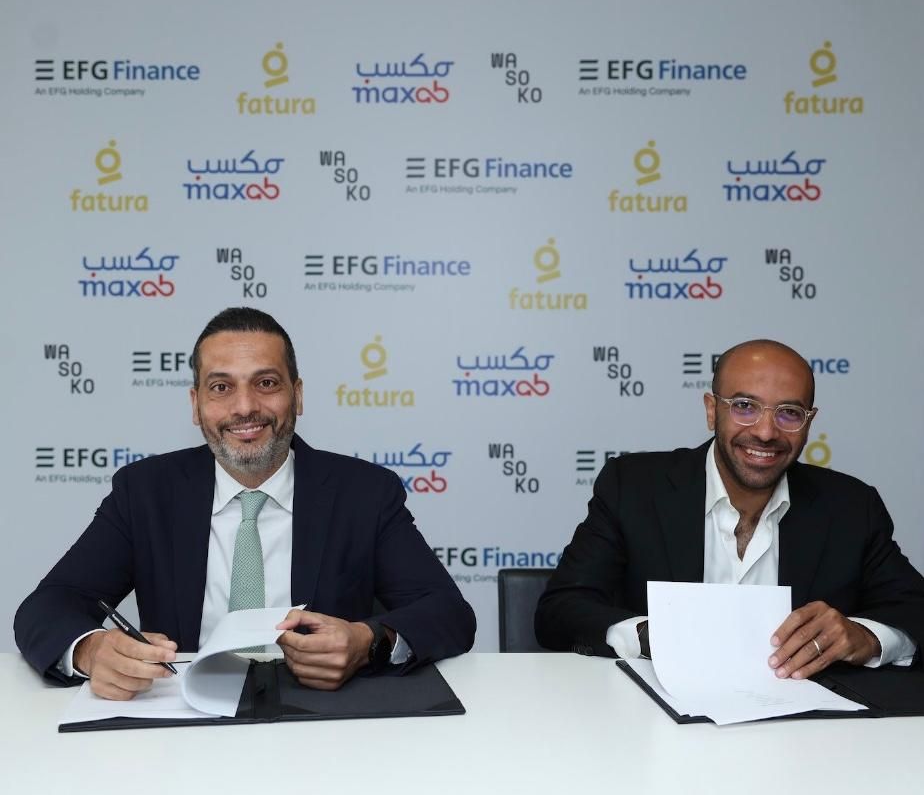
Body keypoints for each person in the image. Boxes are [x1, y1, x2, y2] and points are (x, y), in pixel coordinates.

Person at [15, 307, 475, 700]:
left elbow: (448, 612)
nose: (244, 407)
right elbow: (48, 605)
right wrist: (91, 649)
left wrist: (368, 641)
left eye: (266, 383)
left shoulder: (365, 492)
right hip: (182, 721)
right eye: (221, 387)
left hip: (324, 726)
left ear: (297, 395)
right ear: (196, 404)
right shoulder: (146, 492)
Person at [536, 339, 924, 679]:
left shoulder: (851, 507)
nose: (766, 432)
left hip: (803, 723)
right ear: (711, 410)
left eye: (789, 412)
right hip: (654, 717)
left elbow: (914, 609)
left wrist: (867, 637)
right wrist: (648, 635)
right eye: (744, 406)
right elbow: (561, 610)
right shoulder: (634, 487)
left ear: (809, 422)